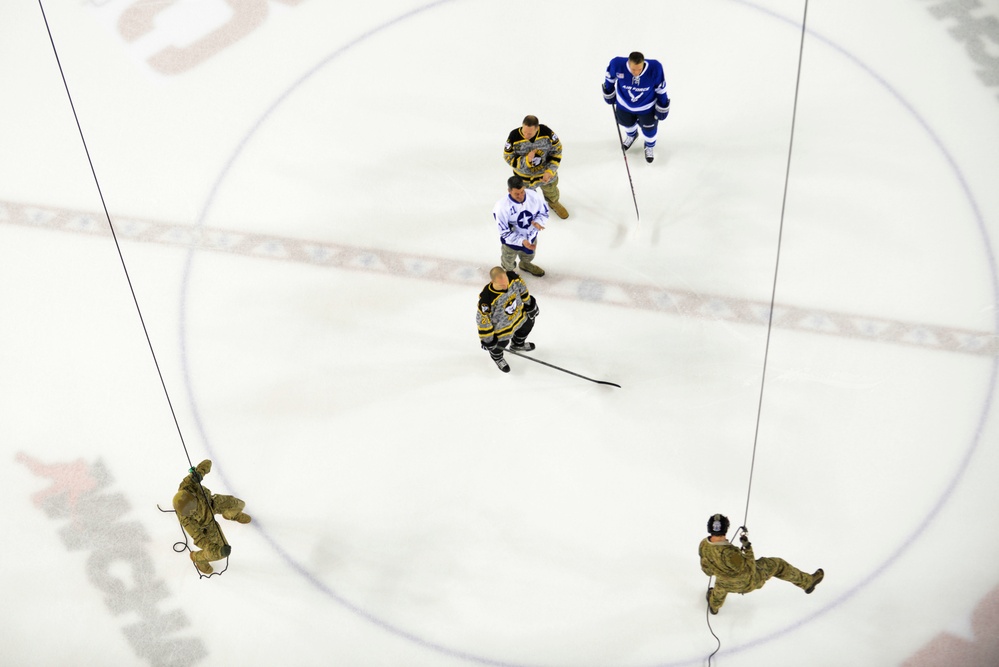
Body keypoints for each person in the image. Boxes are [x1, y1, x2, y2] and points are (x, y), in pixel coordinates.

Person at [699, 513, 823, 615]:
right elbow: (750, 569)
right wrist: (747, 547)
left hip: (724, 584)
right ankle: (808, 582)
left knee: (720, 586)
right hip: (748, 582)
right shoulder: (729, 553)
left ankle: (714, 606)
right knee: (778, 565)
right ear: (726, 529)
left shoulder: (703, 545)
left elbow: (707, 571)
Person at [172, 459, 251, 574]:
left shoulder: (187, 485)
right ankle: (198, 558)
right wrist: (218, 551)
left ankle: (231, 515)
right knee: (220, 553)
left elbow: (207, 462)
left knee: (239, 504)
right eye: (193, 511)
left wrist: (198, 473)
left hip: (212, 502)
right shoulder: (186, 521)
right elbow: (200, 539)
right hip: (208, 525)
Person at [602, 51, 670, 163]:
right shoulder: (617, 65)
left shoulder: (655, 68)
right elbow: (609, 79)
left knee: (650, 130)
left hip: (647, 107)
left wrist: (663, 105)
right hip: (624, 105)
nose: (636, 73)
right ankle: (632, 136)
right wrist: (609, 92)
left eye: (639, 69)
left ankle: (649, 146)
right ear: (628, 63)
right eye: (633, 69)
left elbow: (661, 89)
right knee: (626, 123)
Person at [503, 115, 569, 219]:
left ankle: (553, 203)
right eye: (524, 131)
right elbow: (508, 157)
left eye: (529, 133)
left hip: (545, 176)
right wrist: (526, 161)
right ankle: (531, 209)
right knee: (528, 196)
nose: (526, 135)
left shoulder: (546, 133)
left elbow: (557, 151)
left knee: (551, 191)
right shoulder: (514, 136)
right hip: (524, 179)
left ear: (537, 128)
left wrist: (550, 171)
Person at [477, 266, 540, 373]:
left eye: (506, 282)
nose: (506, 286)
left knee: (527, 325)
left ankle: (517, 345)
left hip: (518, 316)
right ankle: (497, 357)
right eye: (502, 285)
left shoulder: (513, 278)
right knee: (500, 345)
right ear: (493, 281)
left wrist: (530, 305)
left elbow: (522, 288)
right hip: (502, 328)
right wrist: (488, 340)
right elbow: (483, 320)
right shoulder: (487, 299)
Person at [492, 175, 549, 277]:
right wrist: (521, 241)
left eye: (522, 192)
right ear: (509, 191)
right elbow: (504, 232)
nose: (521, 196)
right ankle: (509, 272)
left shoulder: (534, 197)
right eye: (516, 194)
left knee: (529, 255)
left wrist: (538, 222)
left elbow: (544, 212)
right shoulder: (501, 207)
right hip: (511, 242)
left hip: (530, 236)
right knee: (508, 260)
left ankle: (525, 264)